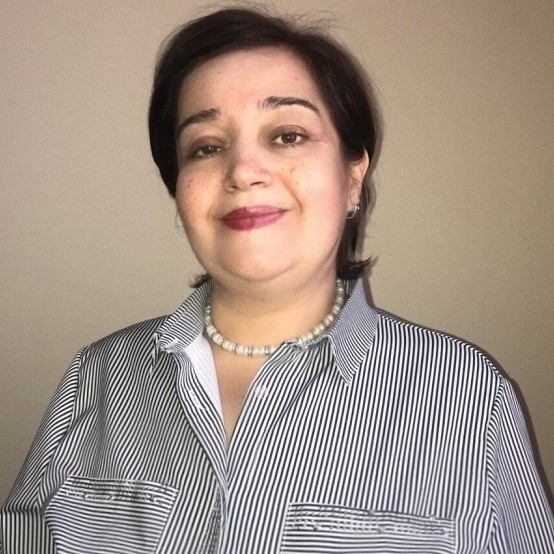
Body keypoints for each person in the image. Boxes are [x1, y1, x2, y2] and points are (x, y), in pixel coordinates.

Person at [1, 7, 553, 553]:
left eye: (288, 135)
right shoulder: (96, 377)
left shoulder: (474, 399)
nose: (243, 170)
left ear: (353, 177)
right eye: (206, 146)